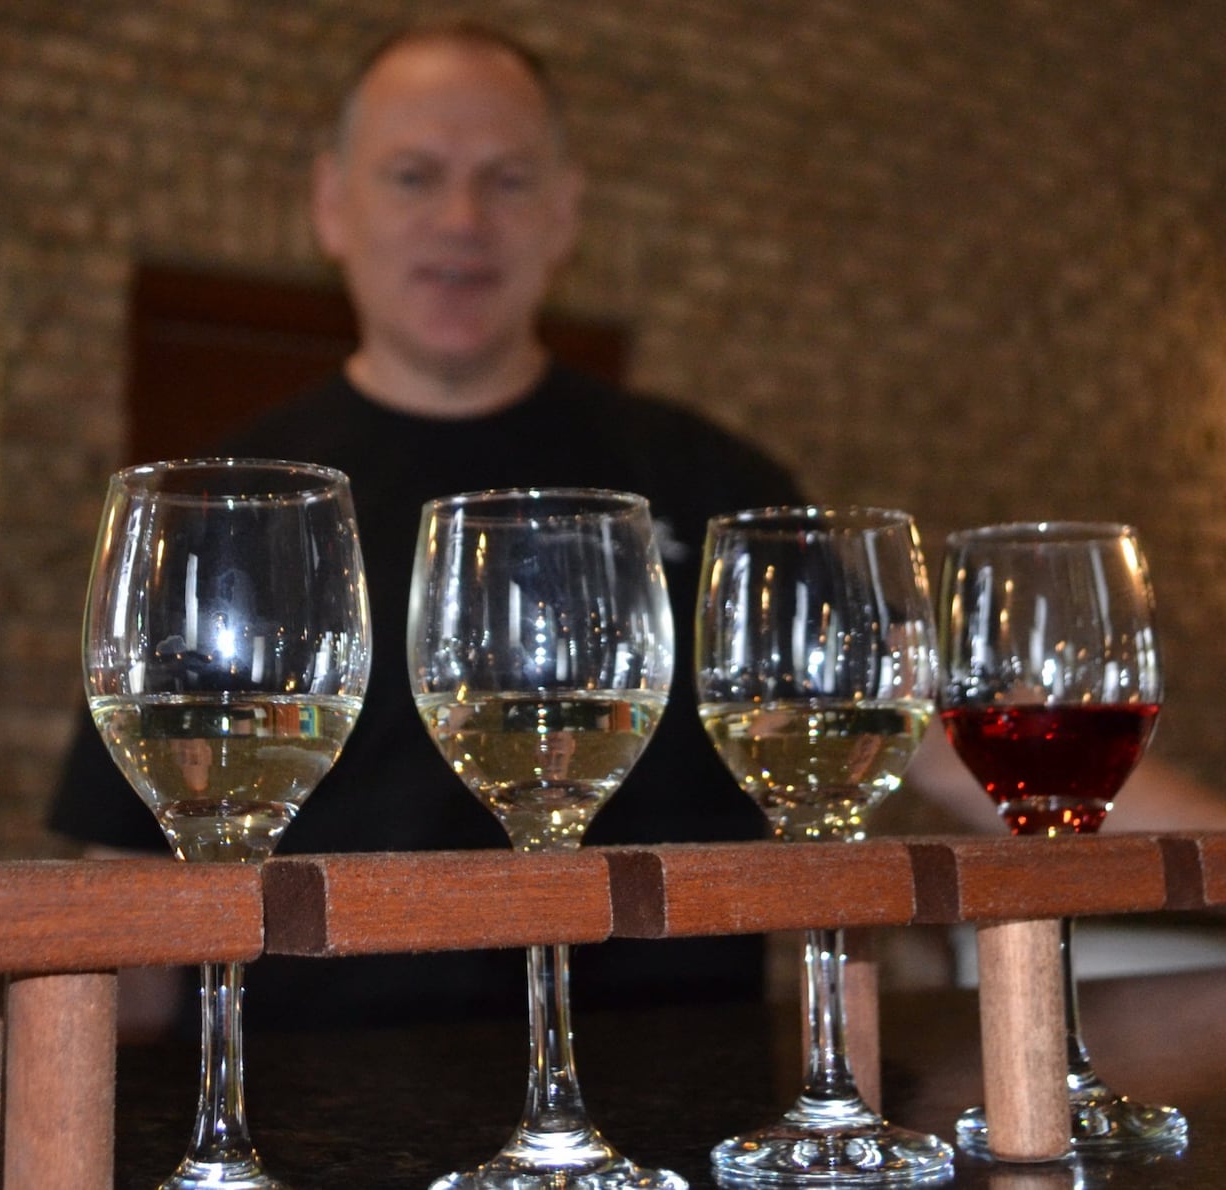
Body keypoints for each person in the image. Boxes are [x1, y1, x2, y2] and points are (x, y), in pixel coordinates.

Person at [48, 20, 788, 1034]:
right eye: (411, 175)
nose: (461, 218)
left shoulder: (717, 483)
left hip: (676, 1119)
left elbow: (904, 740)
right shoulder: (214, 511)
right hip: (302, 1124)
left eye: (509, 179)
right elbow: (128, 882)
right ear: (329, 204)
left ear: (566, 212)